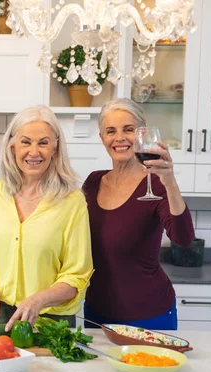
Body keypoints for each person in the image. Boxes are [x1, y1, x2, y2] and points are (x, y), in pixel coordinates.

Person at [0, 105, 94, 330]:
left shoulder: (72, 201)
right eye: (25, 142)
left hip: (48, 322)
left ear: (55, 147)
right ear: (12, 147)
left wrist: (37, 300)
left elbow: (76, 275)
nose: (34, 152)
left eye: (43, 142)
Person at [82, 98, 194, 330]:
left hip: (149, 314)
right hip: (96, 312)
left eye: (129, 129)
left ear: (141, 135)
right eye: (111, 131)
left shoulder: (157, 184)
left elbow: (183, 239)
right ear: (102, 138)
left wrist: (170, 181)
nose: (119, 137)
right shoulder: (93, 182)